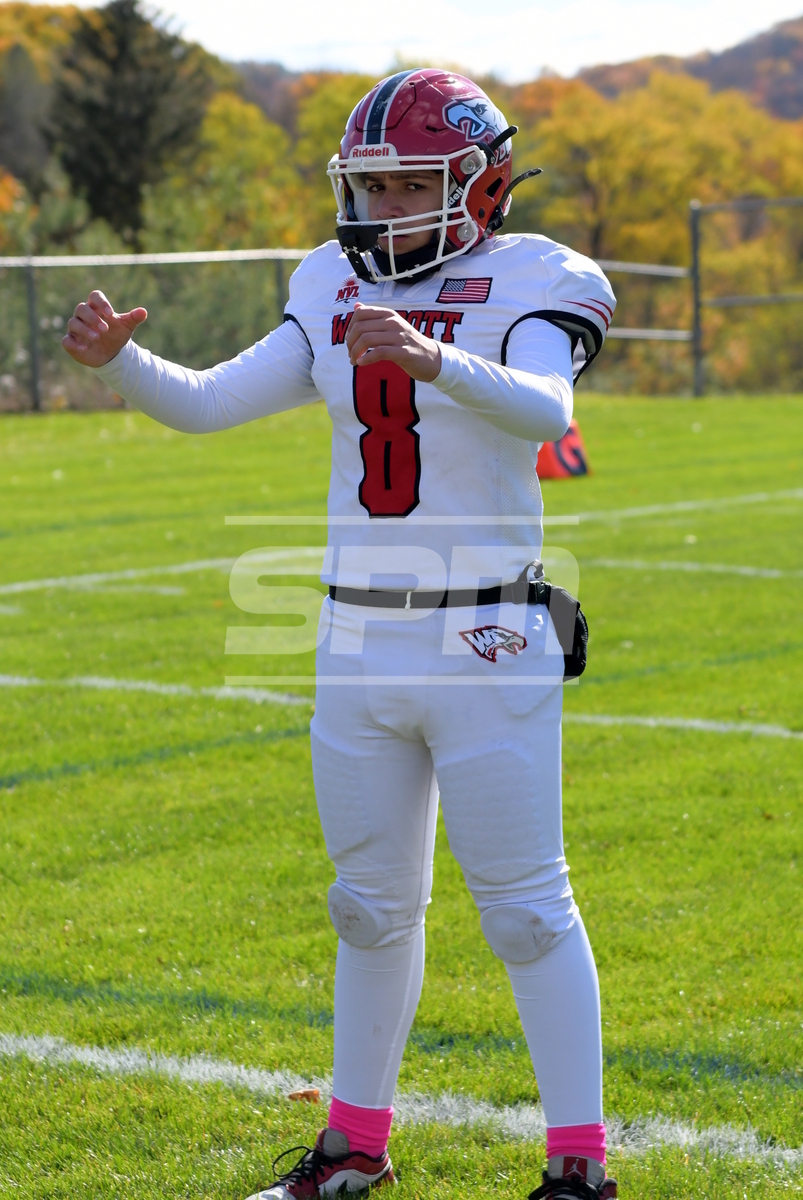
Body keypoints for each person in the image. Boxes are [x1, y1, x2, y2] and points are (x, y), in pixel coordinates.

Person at [63, 68, 617, 1200]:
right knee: (366, 908)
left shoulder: (539, 275)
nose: (383, 206)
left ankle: (577, 1168)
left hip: (485, 634)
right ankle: (352, 1147)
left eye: (410, 183)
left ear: (479, 186)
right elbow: (210, 402)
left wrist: (432, 358)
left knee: (524, 912)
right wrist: (122, 361)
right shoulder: (329, 280)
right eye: (370, 185)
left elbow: (546, 410)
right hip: (356, 635)